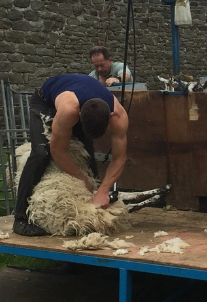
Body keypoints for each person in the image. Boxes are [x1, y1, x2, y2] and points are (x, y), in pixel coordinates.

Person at [12, 74, 129, 236]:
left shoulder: (119, 116)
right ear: (79, 116)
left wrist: (103, 190)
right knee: (41, 152)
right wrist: (82, 179)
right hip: (45, 100)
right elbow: (57, 150)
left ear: (110, 117)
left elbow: (119, 158)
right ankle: (20, 218)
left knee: (86, 153)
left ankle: (93, 210)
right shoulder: (69, 110)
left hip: (79, 99)